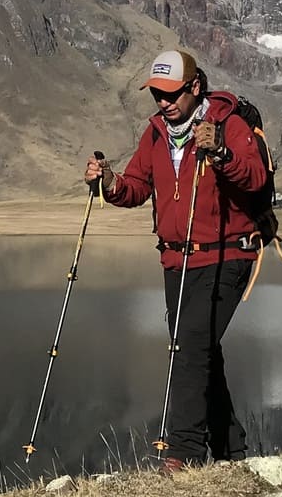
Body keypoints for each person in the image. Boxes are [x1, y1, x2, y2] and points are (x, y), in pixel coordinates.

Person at [85, 48, 272, 471]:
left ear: (195, 87)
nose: (163, 102)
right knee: (200, 348)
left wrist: (221, 152)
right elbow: (136, 187)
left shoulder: (230, 124)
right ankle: (232, 449)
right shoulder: (155, 133)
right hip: (177, 261)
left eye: (170, 94)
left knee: (188, 347)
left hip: (226, 256)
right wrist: (109, 182)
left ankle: (183, 454)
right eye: (156, 94)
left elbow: (255, 177)